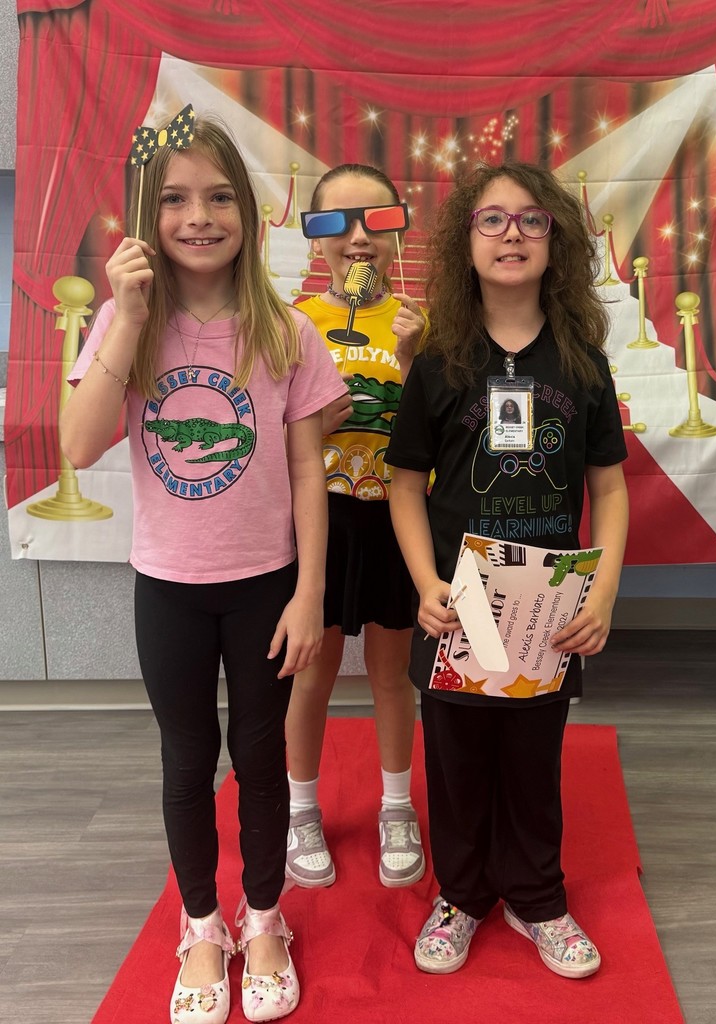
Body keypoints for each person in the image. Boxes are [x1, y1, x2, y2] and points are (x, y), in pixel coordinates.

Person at [60, 116, 347, 1023]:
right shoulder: (125, 325)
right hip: (169, 589)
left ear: (248, 214)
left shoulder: (286, 330)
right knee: (187, 759)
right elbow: (78, 444)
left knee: (260, 760)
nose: (199, 217)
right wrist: (129, 317)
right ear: (149, 217)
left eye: (220, 196)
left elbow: (309, 468)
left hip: (266, 585)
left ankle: (264, 919)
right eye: (176, 199)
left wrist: (310, 593)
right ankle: (201, 926)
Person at [386, 162, 629, 978]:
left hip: (548, 611)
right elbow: (404, 484)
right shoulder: (439, 361)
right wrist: (425, 584)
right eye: (491, 219)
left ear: (557, 241)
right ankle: (460, 895)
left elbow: (610, 487)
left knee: (531, 760)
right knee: (456, 761)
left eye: (531, 219)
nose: (512, 234)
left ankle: (538, 898)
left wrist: (604, 590)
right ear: (466, 242)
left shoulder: (583, 361)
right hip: (457, 606)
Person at [284, 164, 427, 888]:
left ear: (398, 231)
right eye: (337, 223)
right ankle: (300, 810)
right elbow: (263, 433)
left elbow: (445, 431)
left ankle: (397, 806)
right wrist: (309, 429)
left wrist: (412, 361)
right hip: (320, 520)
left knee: (391, 674)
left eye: (375, 220)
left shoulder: (418, 322)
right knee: (310, 673)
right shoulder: (293, 322)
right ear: (316, 239)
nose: (358, 238)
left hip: (398, 517)